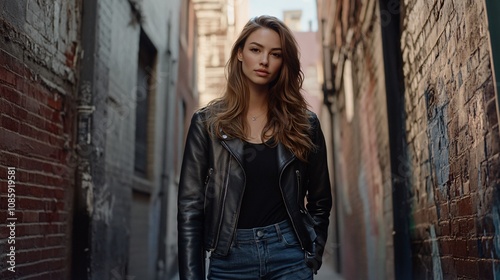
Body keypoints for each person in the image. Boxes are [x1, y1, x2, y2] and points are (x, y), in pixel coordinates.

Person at [177, 15, 332, 280]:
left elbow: (320, 200)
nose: (264, 61)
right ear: (240, 53)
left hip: (289, 254)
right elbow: (190, 207)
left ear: (284, 62)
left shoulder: (305, 124)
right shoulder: (207, 124)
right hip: (230, 258)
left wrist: (313, 251)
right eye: (255, 50)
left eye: (275, 54)